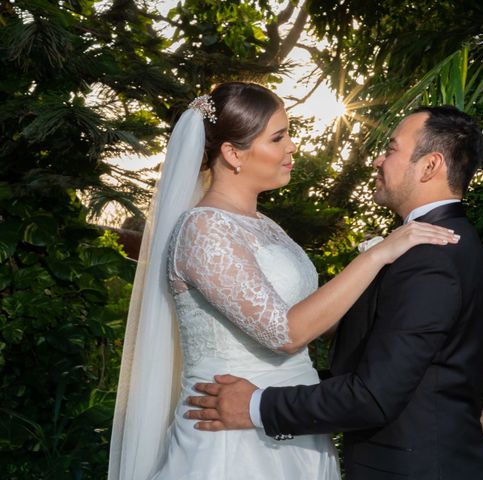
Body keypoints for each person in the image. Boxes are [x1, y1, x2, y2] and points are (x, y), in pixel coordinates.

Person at [108, 82, 460, 480]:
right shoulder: (202, 228)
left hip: (292, 427)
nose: (292, 146)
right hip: (232, 437)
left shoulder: (268, 227)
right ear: (233, 153)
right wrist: (377, 256)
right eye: (279, 137)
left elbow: (318, 324)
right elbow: (284, 333)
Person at [185, 105, 483, 480]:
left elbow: (373, 395)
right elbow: (371, 359)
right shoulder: (423, 245)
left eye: (392, 149)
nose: (378, 159)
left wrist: (255, 405)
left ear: (430, 166)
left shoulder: (432, 255)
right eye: (278, 136)